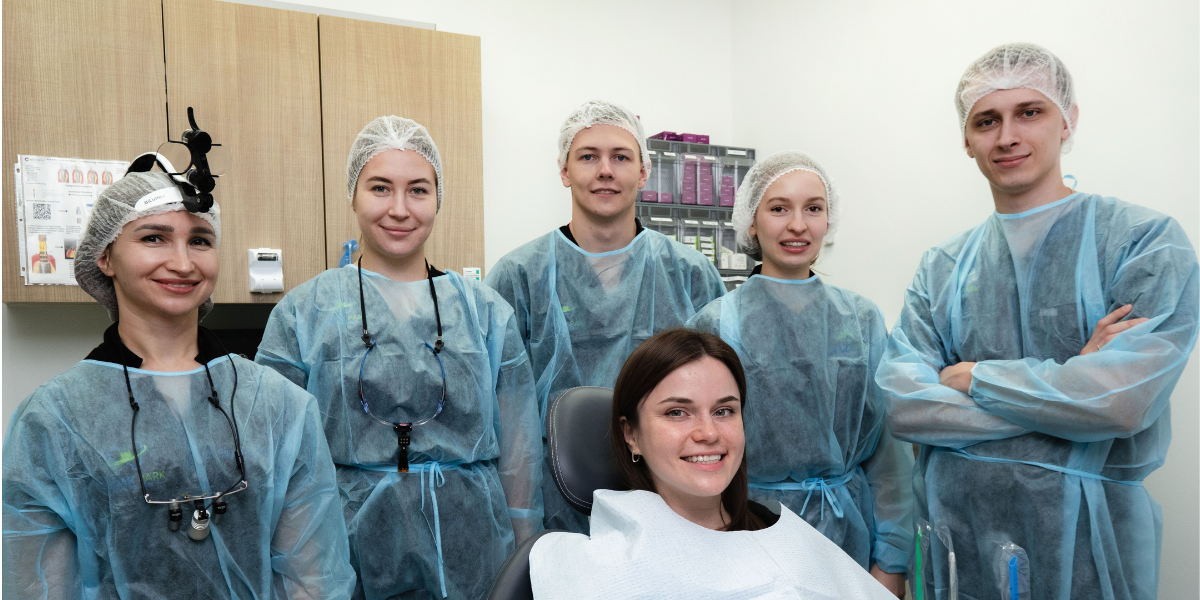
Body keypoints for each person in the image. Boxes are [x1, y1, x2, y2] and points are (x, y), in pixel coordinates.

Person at [875, 43, 1199, 599]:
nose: (1007, 136)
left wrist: (974, 377)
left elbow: (1122, 402)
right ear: (967, 139)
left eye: (1029, 112)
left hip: (1092, 550)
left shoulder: (1142, 243)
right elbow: (905, 407)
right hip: (959, 546)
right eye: (986, 120)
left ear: (1067, 120)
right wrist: (1070, 389)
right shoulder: (942, 268)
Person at [3, 170, 355, 599]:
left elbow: (312, 579)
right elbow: (39, 586)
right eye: (154, 238)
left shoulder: (279, 405)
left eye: (200, 241)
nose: (183, 263)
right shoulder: (54, 419)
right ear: (105, 257)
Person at [255, 116, 543, 599]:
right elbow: (275, 456)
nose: (399, 209)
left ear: (438, 199)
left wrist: (523, 554)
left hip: (473, 550)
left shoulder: (485, 313)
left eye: (418, 190)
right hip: (344, 550)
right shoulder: (304, 314)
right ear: (353, 195)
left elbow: (519, 456)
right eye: (380, 188)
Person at [485, 100, 726, 532]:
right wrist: (521, 522)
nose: (605, 171)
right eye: (588, 157)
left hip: (671, 498)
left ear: (644, 172)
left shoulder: (690, 275)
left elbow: (719, 396)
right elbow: (503, 414)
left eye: (620, 157)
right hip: (552, 503)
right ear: (564, 171)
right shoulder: (519, 276)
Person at [687, 150, 912, 596]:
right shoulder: (716, 324)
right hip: (747, 534)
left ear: (829, 220)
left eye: (813, 208)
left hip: (851, 540)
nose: (797, 225)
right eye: (778, 208)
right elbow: (697, 453)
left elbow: (889, 456)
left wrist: (892, 559)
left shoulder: (860, 319)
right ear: (751, 222)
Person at [528, 328, 896, 599]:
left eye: (724, 411)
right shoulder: (587, 570)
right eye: (677, 412)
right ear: (631, 434)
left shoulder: (788, 539)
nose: (708, 433)